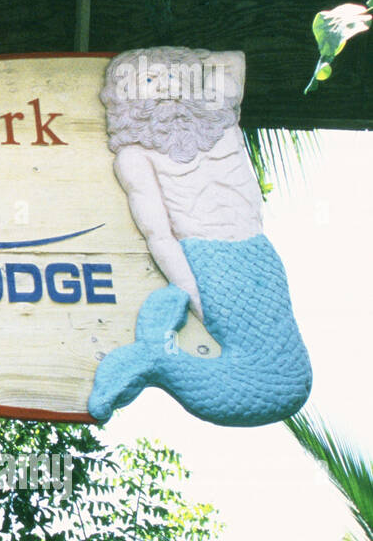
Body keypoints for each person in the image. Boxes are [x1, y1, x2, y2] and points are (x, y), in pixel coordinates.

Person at [88, 47, 311, 426]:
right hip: (209, 261)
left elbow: (233, 62)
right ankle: (153, 359)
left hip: (257, 251)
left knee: (285, 373)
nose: (165, 87)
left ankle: (155, 355)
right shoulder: (135, 155)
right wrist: (195, 295)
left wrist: (175, 58)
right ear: (125, 94)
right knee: (274, 386)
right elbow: (158, 234)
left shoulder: (220, 125)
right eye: (148, 80)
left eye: (174, 77)